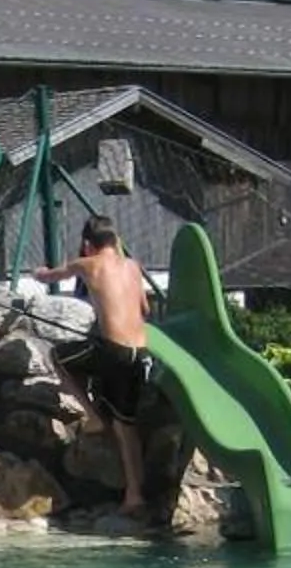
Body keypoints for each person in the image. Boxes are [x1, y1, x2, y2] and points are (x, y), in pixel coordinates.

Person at [30, 217, 182, 527]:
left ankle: (93, 415)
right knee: (126, 426)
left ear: (88, 244)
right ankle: (134, 496)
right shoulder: (134, 266)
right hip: (139, 354)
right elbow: (145, 310)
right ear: (115, 241)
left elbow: (51, 276)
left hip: (111, 351)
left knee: (59, 358)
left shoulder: (88, 264)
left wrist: (40, 273)